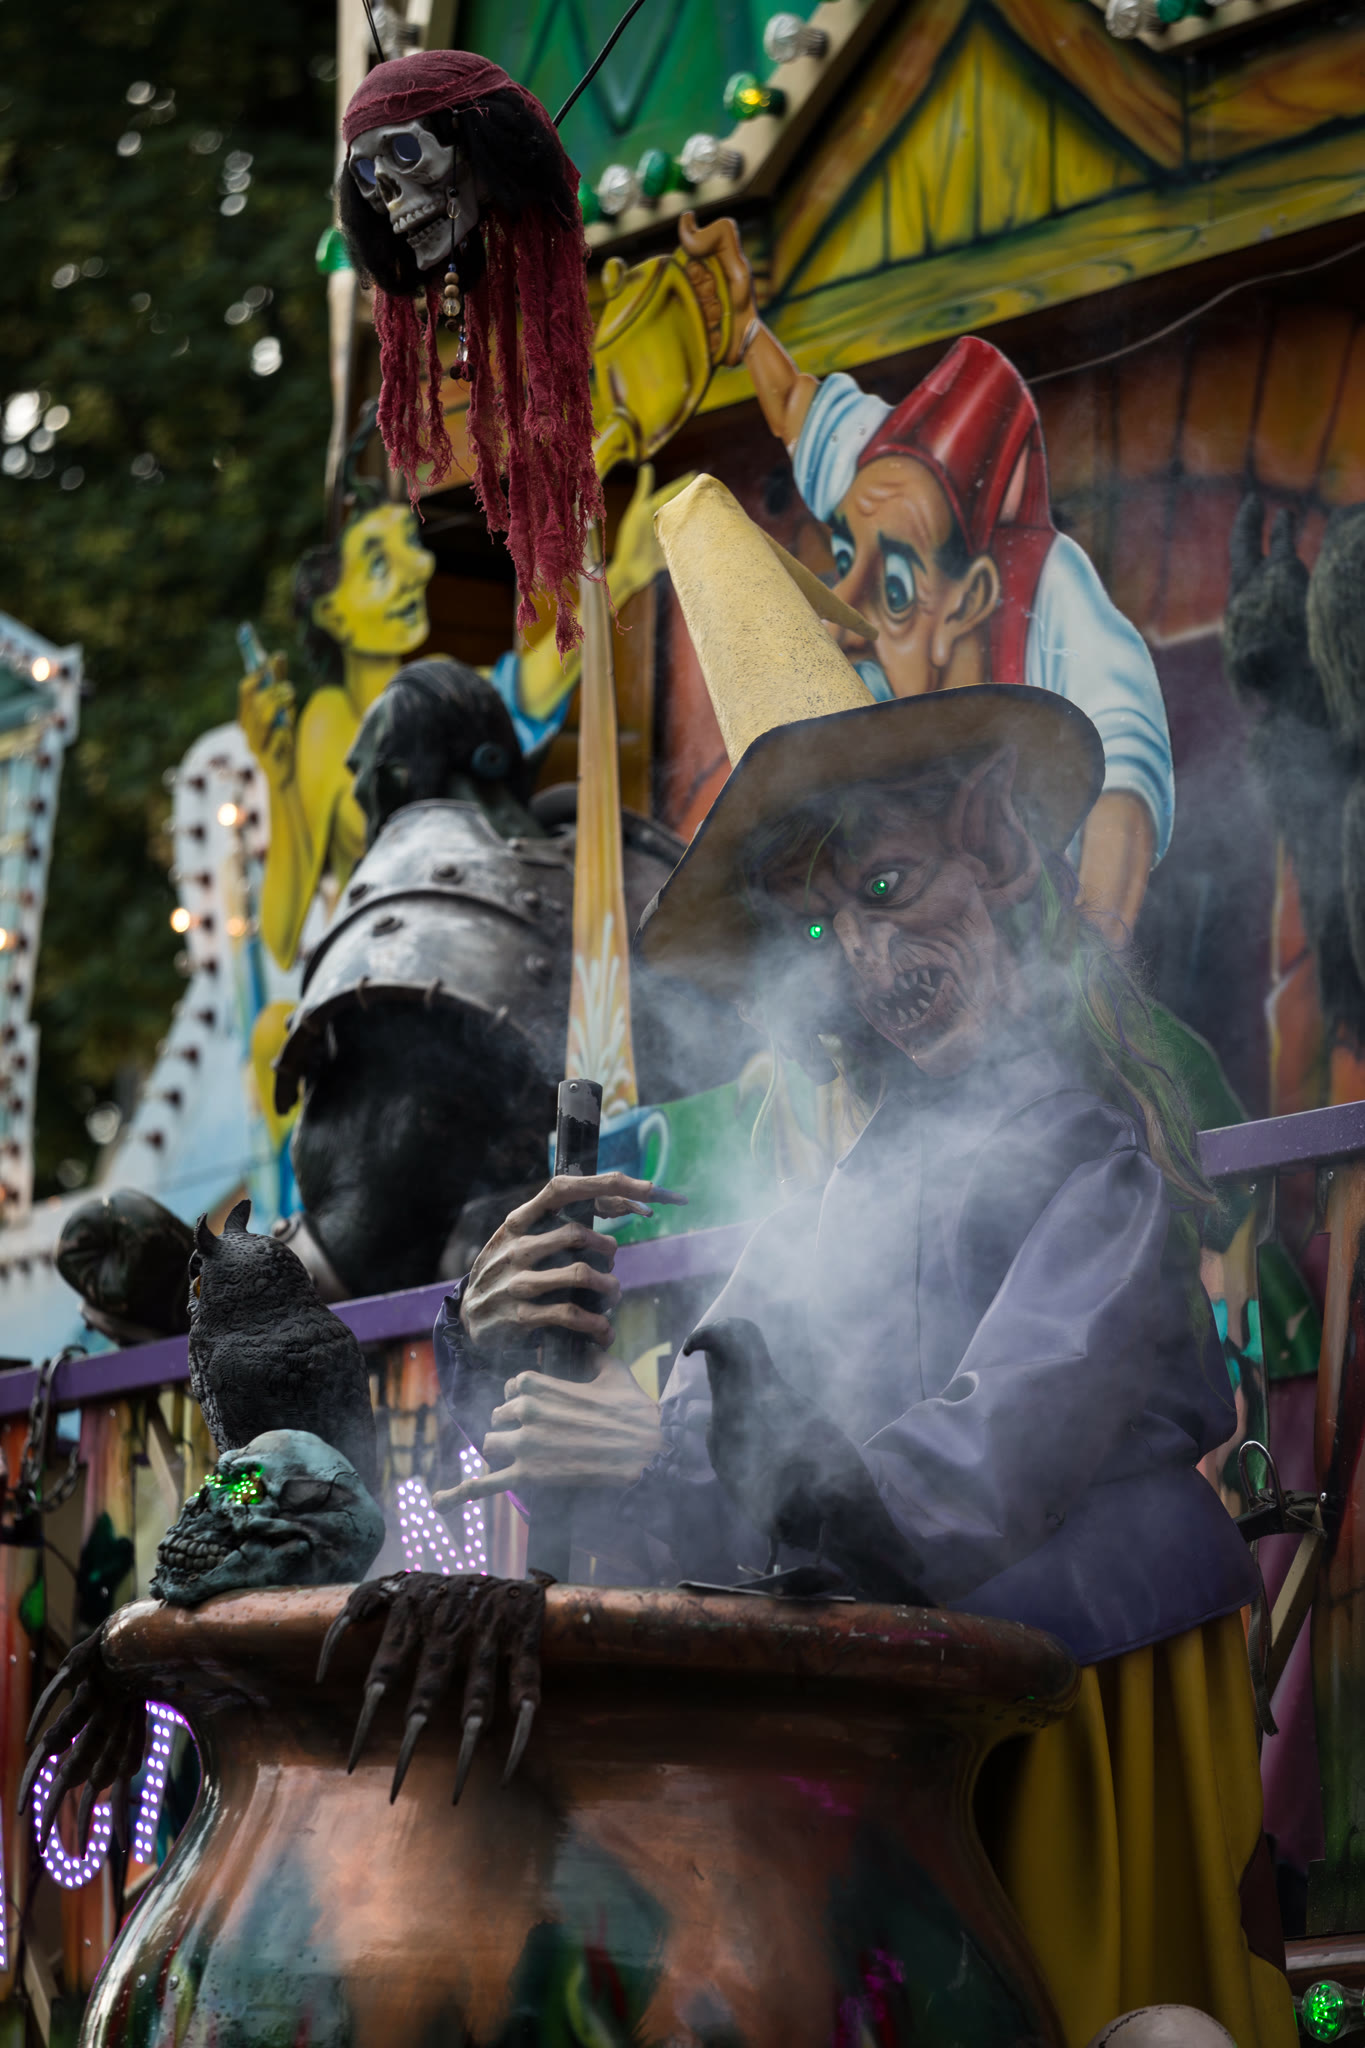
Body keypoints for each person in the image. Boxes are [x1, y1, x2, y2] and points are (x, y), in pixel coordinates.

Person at [432, 475, 1295, 2048]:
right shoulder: (854, 1178)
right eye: (831, 929)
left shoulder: (1089, 1138)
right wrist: (544, 1376)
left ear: (996, 852)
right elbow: (742, 1398)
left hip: (1083, 1681)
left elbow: (1008, 1429)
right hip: (925, 1683)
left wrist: (682, 1440)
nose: (878, 961)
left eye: (891, 888)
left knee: (1094, 2005)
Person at [678, 215, 1173, 942]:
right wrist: (746, 326)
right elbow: (799, 415)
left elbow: (1122, 781)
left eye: (895, 592)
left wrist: (1087, 968)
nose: (842, 625)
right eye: (844, 555)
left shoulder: (1052, 598)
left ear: (970, 600)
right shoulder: (883, 492)